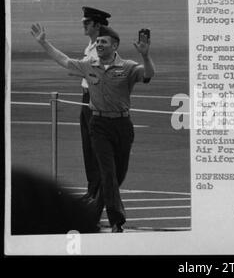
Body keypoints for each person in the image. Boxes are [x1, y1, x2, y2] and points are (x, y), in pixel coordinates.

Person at [30, 23, 156, 232]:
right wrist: (44, 43)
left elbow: (149, 74)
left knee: (118, 174)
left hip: (122, 125)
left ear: (114, 46)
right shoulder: (89, 65)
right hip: (98, 125)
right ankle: (116, 220)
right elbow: (64, 60)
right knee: (107, 172)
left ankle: (92, 214)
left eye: (103, 42)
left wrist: (145, 55)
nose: (98, 44)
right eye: (97, 41)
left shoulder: (128, 67)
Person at [78, 7, 110, 205]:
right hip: (85, 97)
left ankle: (97, 193)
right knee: (87, 147)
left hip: (95, 98)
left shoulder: (102, 47)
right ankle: (92, 190)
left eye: (86, 23)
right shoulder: (90, 46)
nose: (84, 25)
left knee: (96, 147)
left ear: (97, 25)